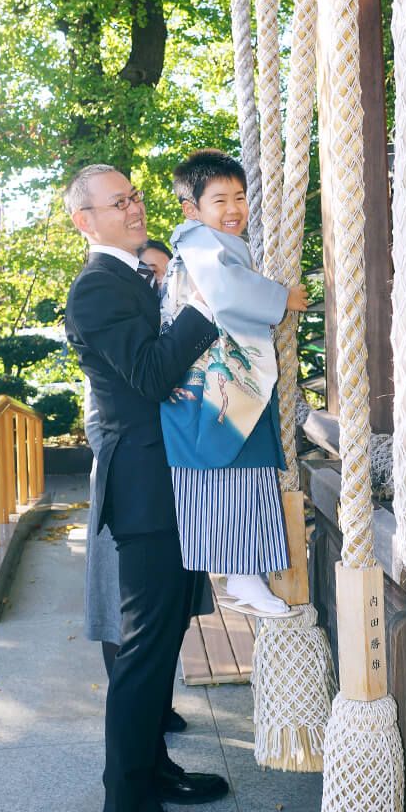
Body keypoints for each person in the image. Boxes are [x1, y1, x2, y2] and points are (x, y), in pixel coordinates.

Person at [64, 164, 227, 812]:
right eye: (118, 202)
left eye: (135, 196)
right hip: (145, 490)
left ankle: (154, 771)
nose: (135, 208)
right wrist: (204, 309)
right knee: (142, 655)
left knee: (162, 646)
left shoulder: (132, 273)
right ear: (84, 220)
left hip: (169, 480)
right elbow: (155, 374)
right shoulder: (97, 289)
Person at [159, 149, 308, 618]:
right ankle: (244, 579)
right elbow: (226, 291)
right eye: (219, 199)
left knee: (241, 474)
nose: (233, 209)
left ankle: (245, 577)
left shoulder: (201, 243)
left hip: (218, 384)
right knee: (233, 474)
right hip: (211, 389)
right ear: (192, 209)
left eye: (240, 198)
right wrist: (283, 297)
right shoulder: (200, 242)